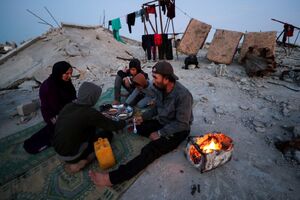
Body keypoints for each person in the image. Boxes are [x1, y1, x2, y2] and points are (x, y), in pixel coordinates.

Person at [89, 61, 193, 186]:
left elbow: (183, 124)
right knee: (136, 127)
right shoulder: (160, 89)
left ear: (166, 79)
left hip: (177, 129)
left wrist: (160, 133)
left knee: (150, 150)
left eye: (155, 78)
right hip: (163, 121)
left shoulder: (183, 95)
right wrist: (143, 117)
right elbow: (157, 108)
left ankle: (112, 179)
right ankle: (155, 134)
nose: (153, 81)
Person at [53, 82, 126, 173]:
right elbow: (113, 126)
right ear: (91, 98)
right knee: (107, 134)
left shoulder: (69, 106)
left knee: (91, 126)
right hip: (73, 156)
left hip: (58, 150)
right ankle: (86, 160)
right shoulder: (90, 113)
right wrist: (124, 120)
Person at [23, 61, 76, 154]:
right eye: (67, 73)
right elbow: (56, 108)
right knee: (66, 131)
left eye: (71, 73)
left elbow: (73, 94)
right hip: (53, 114)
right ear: (58, 73)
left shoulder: (64, 81)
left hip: (66, 108)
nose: (70, 76)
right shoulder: (49, 88)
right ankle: (36, 144)